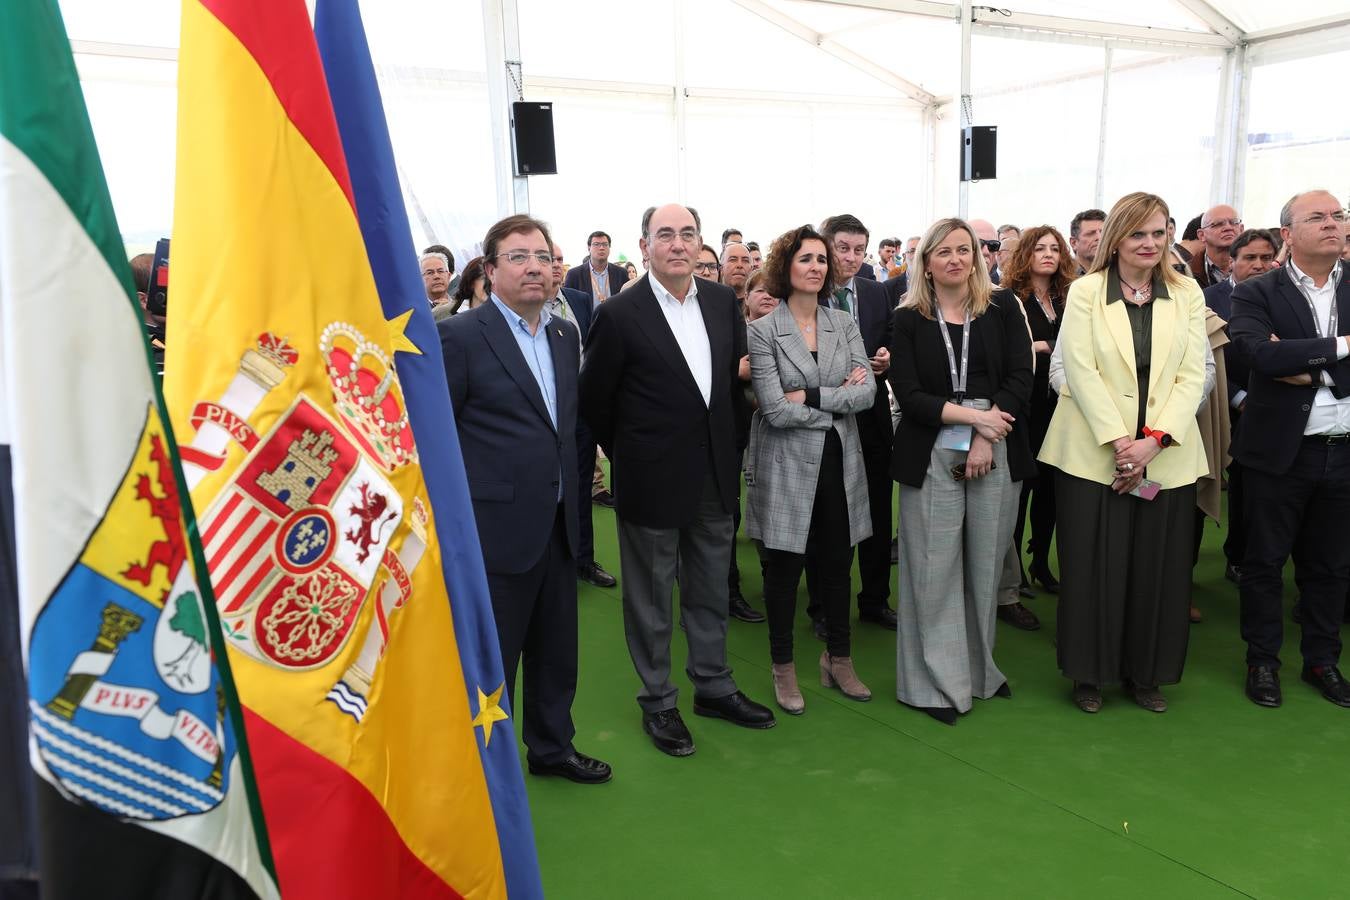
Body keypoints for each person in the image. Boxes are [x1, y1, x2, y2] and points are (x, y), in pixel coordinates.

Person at [580, 203, 775, 757]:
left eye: (687, 234)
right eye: (664, 234)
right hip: (650, 478)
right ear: (644, 246)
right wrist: (635, 454)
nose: (677, 244)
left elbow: (725, 387)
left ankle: (712, 686)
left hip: (713, 475)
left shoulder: (720, 303)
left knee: (711, 588)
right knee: (649, 598)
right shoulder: (618, 314)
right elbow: (596, 401)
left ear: (699, 244)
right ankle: (659, 701)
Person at [438, 214, 611, 784]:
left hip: (559, 521)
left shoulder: (564, 335)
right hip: (493, 532)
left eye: (543, 255)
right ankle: (481, 772)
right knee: (494, 659)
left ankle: (553, 747)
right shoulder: (460, 337)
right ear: (489, 271)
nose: (535, 266)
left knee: (556, 650)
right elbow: (438, 439)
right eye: (517, 256)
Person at [1038, 192, 1208, 715]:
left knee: (1158, 570)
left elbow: (1192, 375)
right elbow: (1078, 370)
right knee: (1091, 566)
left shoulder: (1188, 294)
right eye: (1139, 234)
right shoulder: (1086, 291)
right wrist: (1119, 442)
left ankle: (1147, 674)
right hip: (1093, 453)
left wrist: (1153, 442)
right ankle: (1089, 674)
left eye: (1160, 233)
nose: (1151, 244)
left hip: (1166, 455)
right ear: (1117, 238)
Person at [889, 218, 1033, 725]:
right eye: (944, 251)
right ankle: (928, 685)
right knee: (932, 568)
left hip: (996, 441)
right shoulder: (906, 319)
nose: (956, 259)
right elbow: (909, 395)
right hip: (932, 443)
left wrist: (982, 436)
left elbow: (1021, 377)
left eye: (965, 250)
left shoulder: (1002, 309)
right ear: (925, 261)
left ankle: (978, 673)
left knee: (984, 565)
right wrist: (975, 419)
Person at [744, 225, 877, 714]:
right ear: (787, 267)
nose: (817, 267)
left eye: (822, 259)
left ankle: (837, 658)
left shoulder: (843, 322)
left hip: (840, 462)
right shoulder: (762, 330)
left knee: (839, 567)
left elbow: (867, 394)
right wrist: (837, 399)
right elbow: (775, 410)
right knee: (784, 570)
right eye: (806, 259)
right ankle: (783, 668)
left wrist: (815, 396)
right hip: (785, 466)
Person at [1230, 190, 1350, 709]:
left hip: (1343, 452)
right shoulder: (1257, 291)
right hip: (1279, 454)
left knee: (1331, 567)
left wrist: (1304, 365)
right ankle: (1262, 662)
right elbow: (1258, 355)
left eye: (1338, 215)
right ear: (1288, 234)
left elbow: (1280, 361)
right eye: (1317, 217)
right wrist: (1344, 348)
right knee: (1264, 563)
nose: (1332, 224)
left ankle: (1322, 660)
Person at [816, 214, 897, 633]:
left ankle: (875, 599)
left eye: (858, 250)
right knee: (830, 517)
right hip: (826, 420)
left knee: (879, 513)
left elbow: (888, 341)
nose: (850, 257)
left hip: (873, 418)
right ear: (826, 247)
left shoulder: (876, 292)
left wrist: (884, 357)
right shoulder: (807, 293)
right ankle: (824, 608)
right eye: (842, 248)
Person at [1000, 226, 1077, 601]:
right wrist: (1046, 346)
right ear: (1025, 254)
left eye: (1055, 249)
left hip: (1062, 404)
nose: (1048, 254)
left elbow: (1075, 345)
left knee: (1051, 490)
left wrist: (1044, 344)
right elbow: (1010, 351)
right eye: (1040, 248)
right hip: (1024, 405)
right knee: (1020, 490)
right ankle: (1012, 574)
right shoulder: (1009, 298)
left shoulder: (1070, 297)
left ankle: (1041, 563)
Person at [1203, 229, 1276, 585]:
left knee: (1253, 489)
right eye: (1249, 258)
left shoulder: (1286, 296)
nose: (1258, 265)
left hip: (1273, 408)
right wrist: (1238, 397)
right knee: (1209, 486)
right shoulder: (1206, 299)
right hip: (1219, 405)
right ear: (1231, 262)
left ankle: (1245, 556)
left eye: (1265, 258)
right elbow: (1202, 362)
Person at [546, 244, 618, 590]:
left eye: (559, 259)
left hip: (580, 414)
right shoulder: (525, 308)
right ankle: (549, 564)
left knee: (580, 489)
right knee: (545, 489)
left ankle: (584, 561)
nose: (555, 266)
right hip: (542, 416)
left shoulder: (580, 301)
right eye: (548, 258)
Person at [564, 230, 629, 302]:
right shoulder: (574, 275)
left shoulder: (621, 273)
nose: (601, 248)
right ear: (589, 248)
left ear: (609, 248)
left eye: (605, 244)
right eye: (596, 244)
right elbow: (567, 302)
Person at [1190, 205, 1244, 288]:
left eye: (1234, 222)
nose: (1228, 228)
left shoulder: (1257, 268)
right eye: (1218, 224)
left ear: (1241, 230)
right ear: (1202, 235)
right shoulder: (1186, 273)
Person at [1069, 208, 1106, 275]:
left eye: (1103, 233)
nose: (1099, 237)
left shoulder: (1119, 274)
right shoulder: (1060, 277)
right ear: (1074, 243)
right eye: (1090, 234)